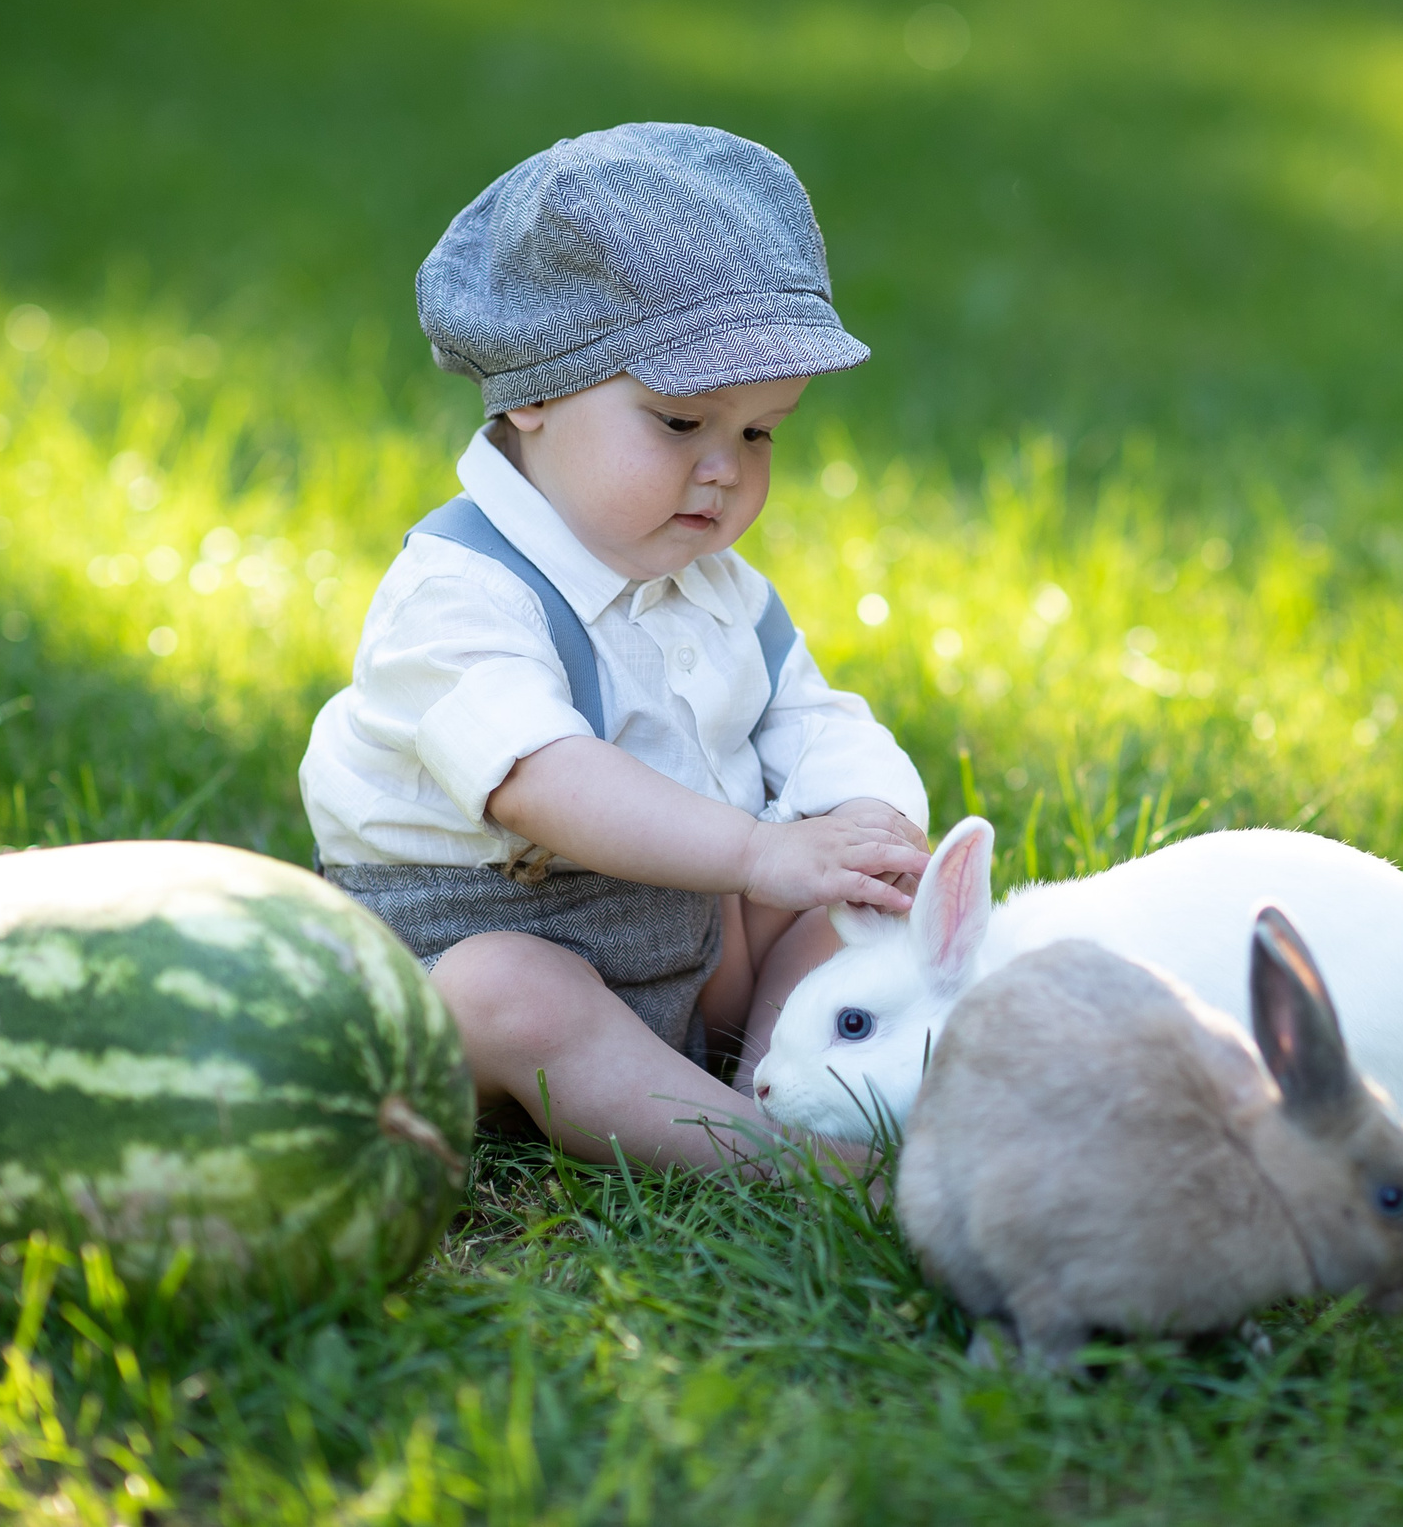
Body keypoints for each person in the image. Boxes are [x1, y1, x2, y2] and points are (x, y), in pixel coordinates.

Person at [300, 123, 931, 1172]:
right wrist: (756, 850)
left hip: (688, 943)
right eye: (682, 424)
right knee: (508, 987)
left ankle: (767, 1079)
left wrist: (862, 816)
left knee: (838, 915)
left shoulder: (719, 589)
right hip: (494, 972)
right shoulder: (457, 592)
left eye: (759, 432)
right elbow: (543, 781)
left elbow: (809, 714)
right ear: (534, 393)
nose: (725, 470)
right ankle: (762, 1155)